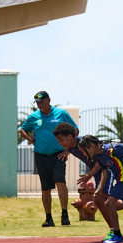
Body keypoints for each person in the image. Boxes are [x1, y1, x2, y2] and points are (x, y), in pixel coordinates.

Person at [53, 123, 123, 240]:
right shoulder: (70, 147)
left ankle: (115, 231)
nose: (60, 143)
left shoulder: (83, 143)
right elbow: (73, 149)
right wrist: (67, 152)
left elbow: (99, 159)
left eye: (61, 140)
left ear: (70, 136)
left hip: (106, 170)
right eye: (58, 141)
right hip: (98, 172)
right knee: (103, 202)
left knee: (101, 201)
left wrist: (89, 175)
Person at [19, 91, 78, 227]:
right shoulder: (34, 117)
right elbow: (23, 129)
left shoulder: (61, 114)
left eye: (42, 102)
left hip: (58, 155)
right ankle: (48, 218)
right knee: (45, 188)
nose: (40, 105)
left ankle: (64, 215)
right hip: (40, 155)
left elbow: (75, 131)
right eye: (38, 103)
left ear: (49, 100)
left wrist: (68, 150)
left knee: (60, 183)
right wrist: (31, 139)